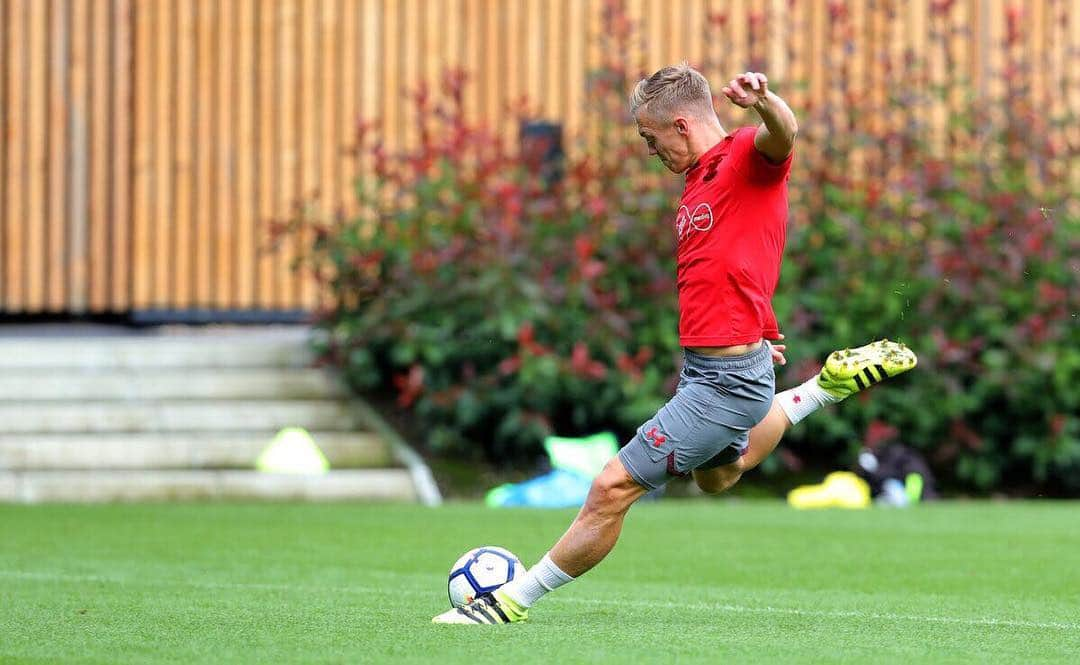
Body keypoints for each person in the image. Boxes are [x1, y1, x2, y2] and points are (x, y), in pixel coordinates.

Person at [433, 64, 916, 625]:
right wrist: (755, 327)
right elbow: (732, 260)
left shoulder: (742, 156)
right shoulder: (697, 180)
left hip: (726, 382)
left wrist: (764, 103)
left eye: (649, 137)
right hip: (719, 367)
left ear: (681, 125)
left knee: (612, 486)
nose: (649, 150)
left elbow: (785, 134)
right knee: (718, 477)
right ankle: (820, 390)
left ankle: (508, 604)